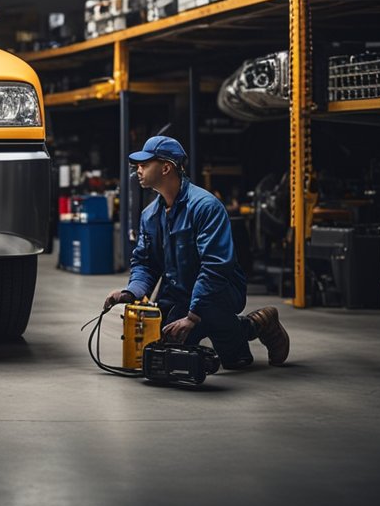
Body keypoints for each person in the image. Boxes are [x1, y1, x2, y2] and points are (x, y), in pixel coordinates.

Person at [103, 135, 289, 369]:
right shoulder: (150, 215)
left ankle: (259, 325)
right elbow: (146, 263)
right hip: (179, 294)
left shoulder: (205, 207)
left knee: (228, 355)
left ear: (166, 168)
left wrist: (192, 317)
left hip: (218, 292)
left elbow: (215, 267)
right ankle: (240, 328)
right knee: (162, 350)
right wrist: (130, 292)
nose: (137, 170)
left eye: (144, 164)